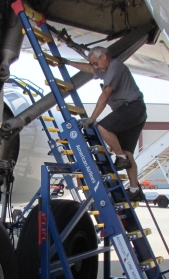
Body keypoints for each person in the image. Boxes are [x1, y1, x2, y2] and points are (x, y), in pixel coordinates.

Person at [62, 46, 147, 201]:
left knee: (102, 127)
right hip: (137, 111)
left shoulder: (115, 67)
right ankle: (135, 189)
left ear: (103, 56)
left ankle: (120, 158)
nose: (95, 66)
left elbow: (106, 93)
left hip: (131, 108)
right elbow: (88, 68)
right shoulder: (105, 69)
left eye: (96, 62)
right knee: (128, 152)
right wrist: (68, 62)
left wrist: (92, 118)